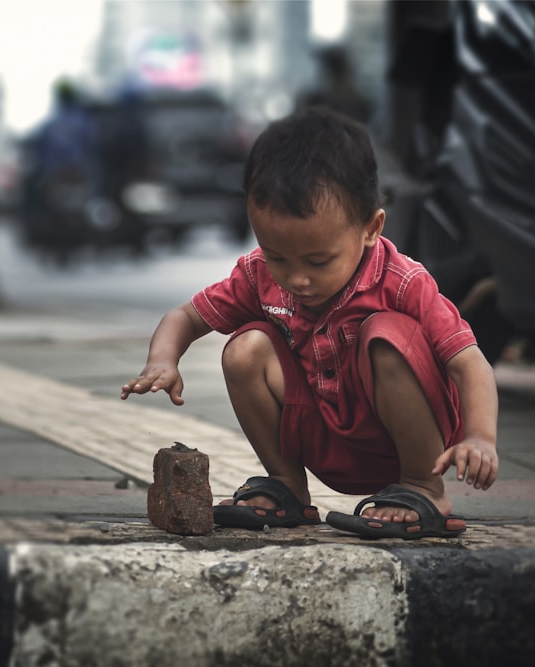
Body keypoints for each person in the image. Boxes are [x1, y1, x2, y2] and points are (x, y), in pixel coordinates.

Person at [120, 106, 498, 539]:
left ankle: (424, 491)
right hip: (324, 439)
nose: (297, 278)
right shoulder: (259, 274)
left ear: (371, 228)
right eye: (278, 256)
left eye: (319, 261)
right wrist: (163, 360)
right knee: (245, 348)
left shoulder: (403, 281)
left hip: (409, 445)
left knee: (386, 335)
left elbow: (469, 364)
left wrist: (481, 437)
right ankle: (287, 487)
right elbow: (185, 316)